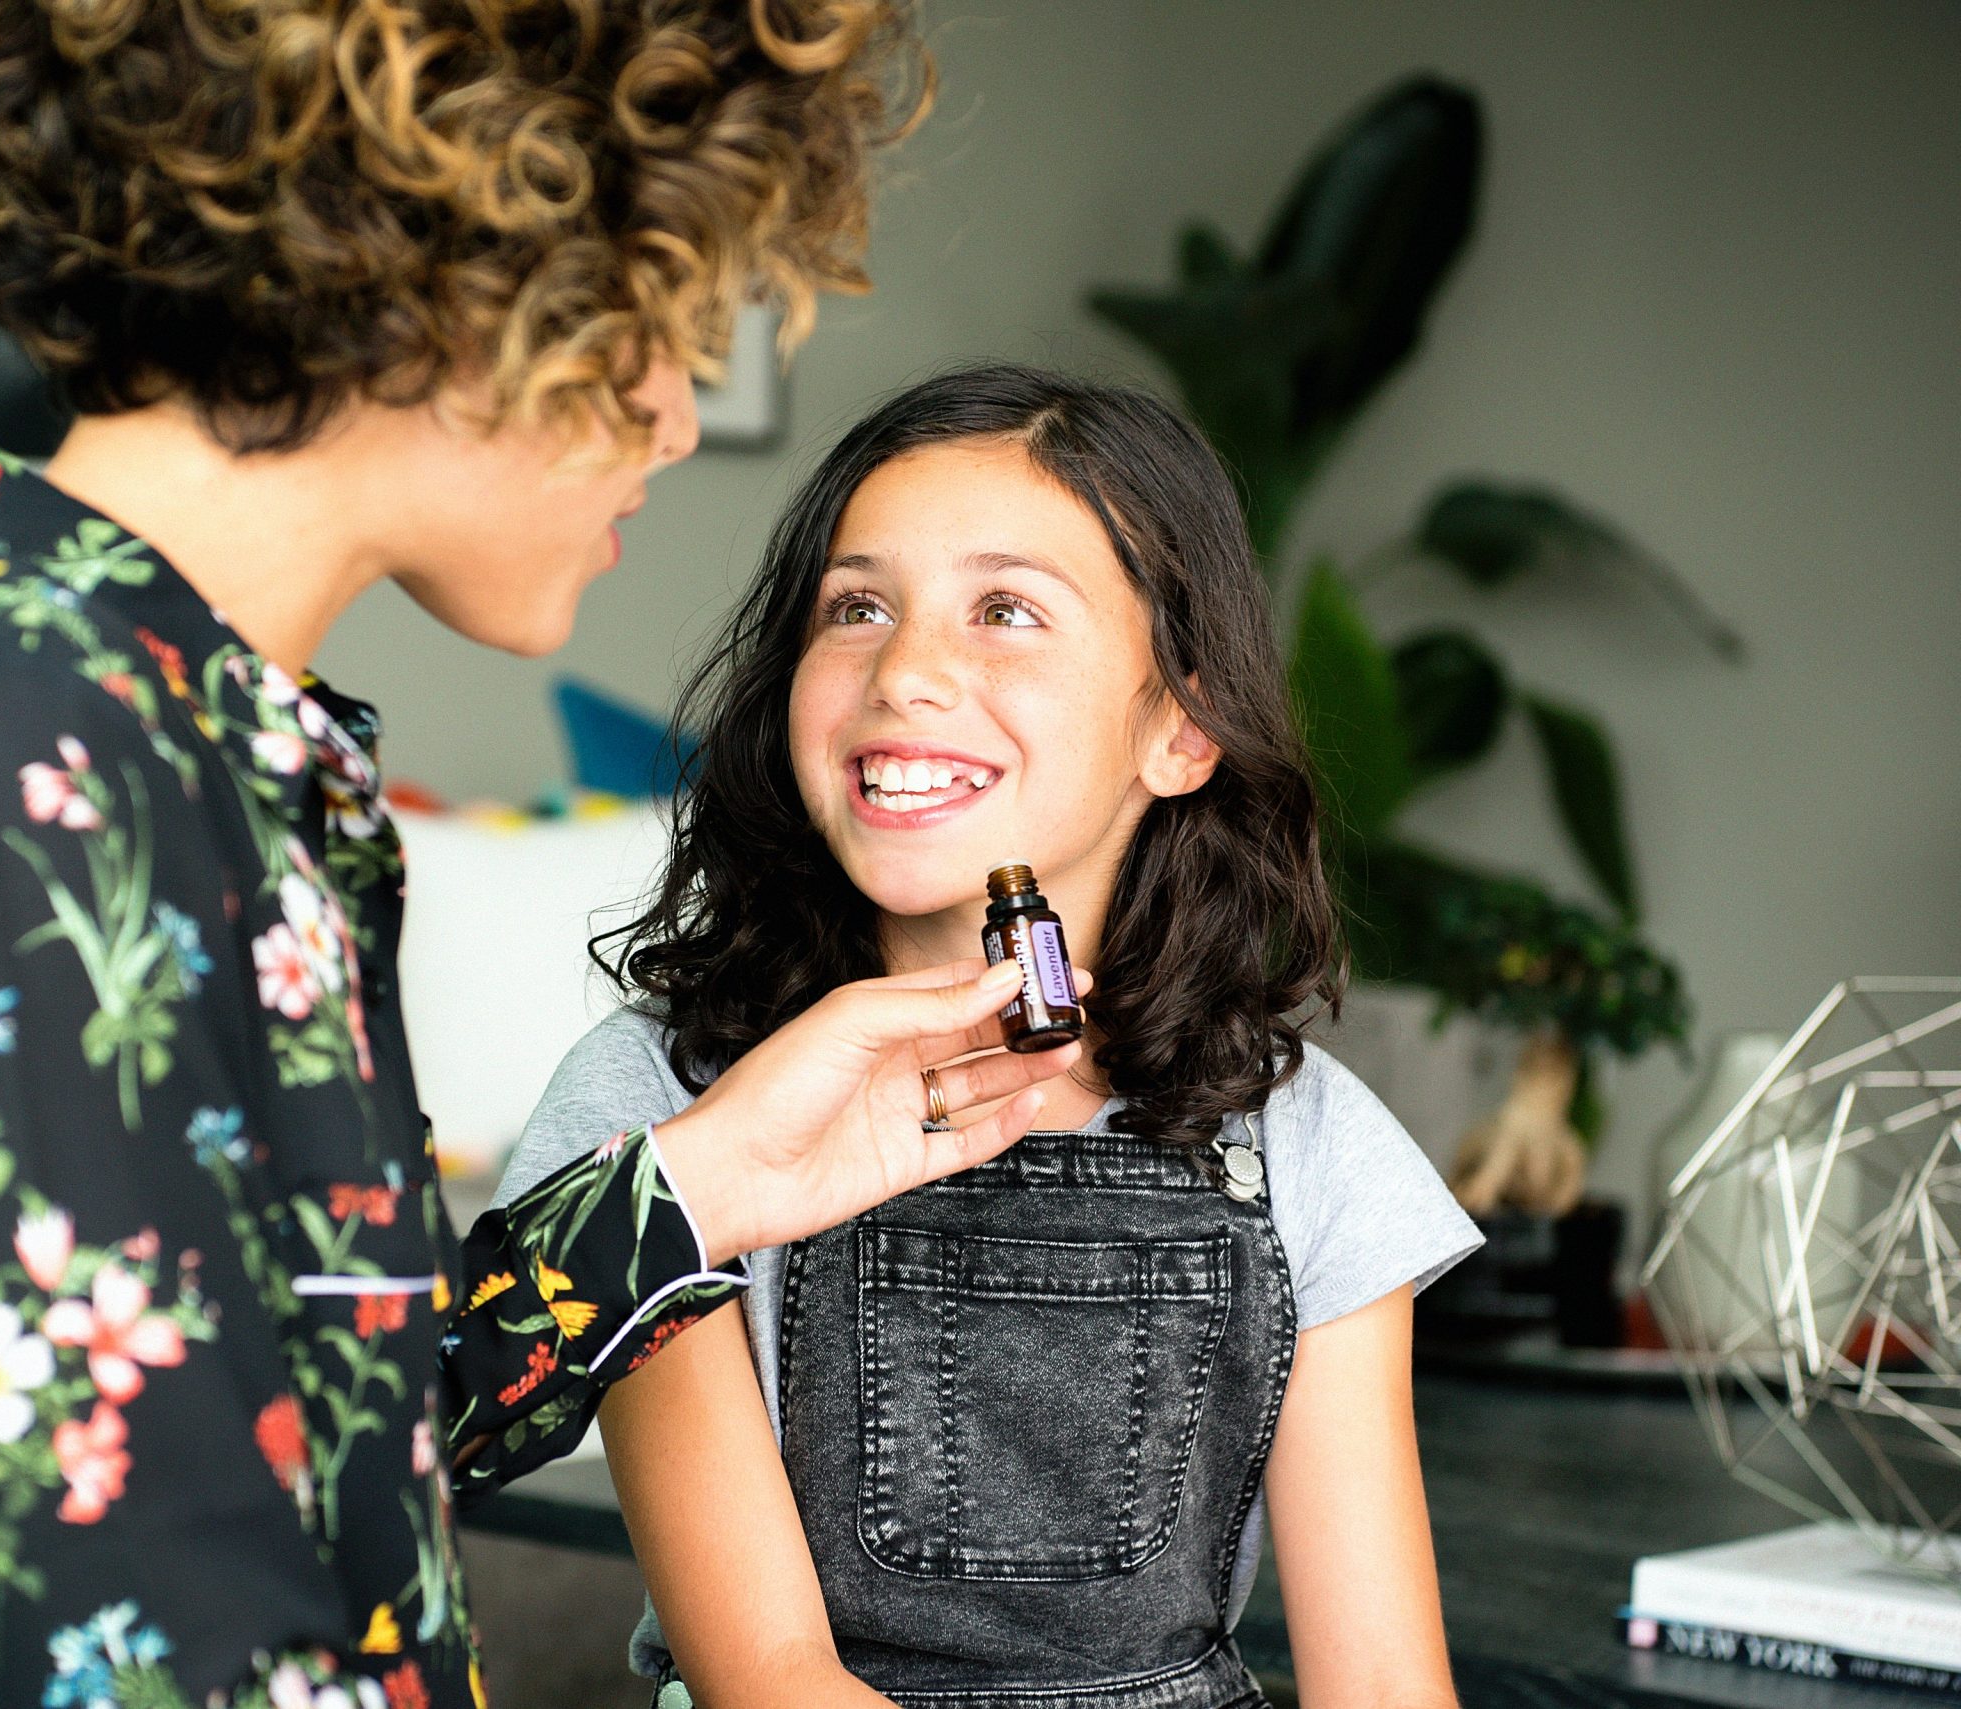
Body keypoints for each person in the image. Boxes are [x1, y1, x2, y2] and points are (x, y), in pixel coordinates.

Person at [0, 9, 1106, 1709]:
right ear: (467, 256)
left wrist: (703, 1185)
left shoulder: (142, 720)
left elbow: (270, 1434)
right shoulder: (12, 744)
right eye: (666, 308)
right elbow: (156, 1646)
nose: (676, 410)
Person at [503, 365, 1485, 1709]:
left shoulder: (1310, 1139)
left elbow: (1383, 1686)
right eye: (856, 607)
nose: (905, 670)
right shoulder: (661, 1112)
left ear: (1181, 726)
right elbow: (770, 1678)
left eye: (1006, 610)